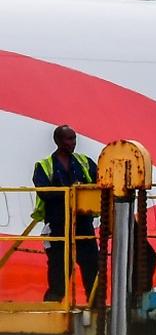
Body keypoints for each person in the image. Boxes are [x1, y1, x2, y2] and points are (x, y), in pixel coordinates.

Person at [32, 125, 99, 302]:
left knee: (92, 267)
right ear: (58, 141)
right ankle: (54, 305)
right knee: (59, 270)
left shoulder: (84, 162)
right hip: (58, 226)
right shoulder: (44, 166)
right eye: (69, 139)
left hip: (83, 224)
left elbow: (101, 183)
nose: (73, 143)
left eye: (74, 139)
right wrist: (71, 191)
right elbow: (44, 192)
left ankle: (94, 305)